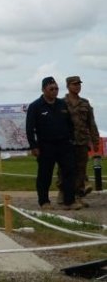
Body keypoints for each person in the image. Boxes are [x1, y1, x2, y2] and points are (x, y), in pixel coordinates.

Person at [25, 76, 80, 210]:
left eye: (56, 88)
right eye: (51, 89)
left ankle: (69, 201)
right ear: (44, 89)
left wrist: (71, 139)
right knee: (45, 174)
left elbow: (70, 124)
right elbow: (29, 128)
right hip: (45, 146)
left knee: (69, 172)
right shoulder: (36, 106)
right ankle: (44, 202)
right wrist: (34, 146)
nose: (54, 91)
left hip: (64, 144)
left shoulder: (62, 104)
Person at [62, 76, 100, 205]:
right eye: (74, 84)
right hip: (66, 142)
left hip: (82, 141)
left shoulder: (85, 103)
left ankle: (78, 196)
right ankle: (64, 194)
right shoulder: (61, 103)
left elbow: (91, 123)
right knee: (65, 169)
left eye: (79, 84)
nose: (77, 86)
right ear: (68, 86)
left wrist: (95, 141)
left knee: (80, 169)